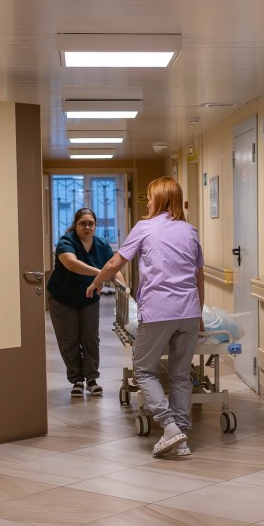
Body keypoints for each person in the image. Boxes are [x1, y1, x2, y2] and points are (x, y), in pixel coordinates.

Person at [88, 177, 204, 457]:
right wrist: (199, 313)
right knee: (180, 374)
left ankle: (169, 426)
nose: (148, 202)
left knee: (144, 369)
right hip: (188, 311)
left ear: (160, 199)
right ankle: (181, 438)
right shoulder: (190, 231)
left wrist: (96, 283)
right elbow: (199, 276)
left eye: (150, 197)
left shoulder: (145, 228)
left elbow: (115, 263)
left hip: (158, 311)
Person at [46, 207, 115, 397]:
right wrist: (101, 274)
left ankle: (92, 379)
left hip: (88, 297)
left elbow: (113, 268)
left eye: (91, 224)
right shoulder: (66, 242)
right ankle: (77, 380)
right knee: (69, 339)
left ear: (95, 225)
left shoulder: (101, 244)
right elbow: (71, 264)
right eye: (82, 223)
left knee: (90, 337)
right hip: (62, 297)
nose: (87, 227)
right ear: (75, 225)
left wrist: (125, 290)